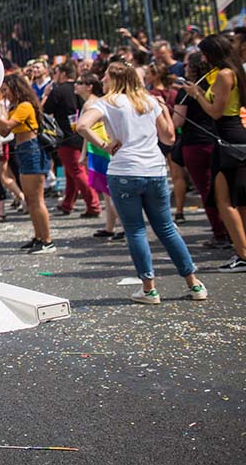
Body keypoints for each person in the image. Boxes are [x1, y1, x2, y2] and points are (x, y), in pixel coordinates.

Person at [76, 62, 207, 304]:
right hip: (154, 169)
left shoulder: (106, 103)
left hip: (124, 169)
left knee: (135, 230)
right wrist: (163, 110)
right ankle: (194, 283)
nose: (103, 80)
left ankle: (149, 288)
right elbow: (168, 137)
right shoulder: (149, 101)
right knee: (166, 228)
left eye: (105, 76)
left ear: (114, 79)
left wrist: (104, 145)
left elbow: (82, 125)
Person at [179, 34, 246, 271]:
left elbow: (216, 112)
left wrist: (197, 95)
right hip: (232, 134)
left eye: (205, 53)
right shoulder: (234, 71)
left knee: (224, 200)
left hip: (227, 135)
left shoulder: (225, 75)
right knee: (238, 199)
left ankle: (242, 253)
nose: (203, 58)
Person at [0, 75, 55, 253]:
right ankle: (38, 237)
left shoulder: (25, 106)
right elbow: (4, 130)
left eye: (6, 89)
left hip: (32, 150)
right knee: (30, 199)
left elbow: (7, 125)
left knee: (36, 199)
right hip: (23, 149)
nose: (4, 93)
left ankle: (47, 240)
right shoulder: (16, 107)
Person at [172, 52, 231, 247]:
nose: (184, 67)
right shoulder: (217, 86)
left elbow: (177, 121)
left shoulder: (187, 92)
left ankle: (220, 233)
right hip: (219, 139)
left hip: (196, 144)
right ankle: (230, 232)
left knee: (207, 190)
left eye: (187, 64)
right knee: (225, 190)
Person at [44, 60, 100, 218]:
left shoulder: (58, 90)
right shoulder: (79, 90)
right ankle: (68, 203)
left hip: (66, 138)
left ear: (62, 74)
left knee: (77, 172)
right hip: (80, 136)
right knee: (71, 173)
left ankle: (93, 205)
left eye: (56, 73)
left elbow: (46, 110)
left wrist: (47, 94)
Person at [74, 73, 122, 239]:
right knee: (107, 192)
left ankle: (124, 226)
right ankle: (110, 227)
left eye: (80, 82)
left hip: (101, 148)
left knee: (109, 191)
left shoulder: (91, 104)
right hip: (99, 146)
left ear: (89, 86)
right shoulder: (92, 102)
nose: (76, 85)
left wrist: (83, 154)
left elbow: (86, 131)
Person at [144, 64, 187, 223]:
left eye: (148, 73)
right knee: (177, 176)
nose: (146, 76)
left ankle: (159, 212)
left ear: (155, 76)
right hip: (174, 134)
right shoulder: (174, 93)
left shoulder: (150, 95)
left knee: (157, 176)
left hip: (156, 136)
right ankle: (180, 211)